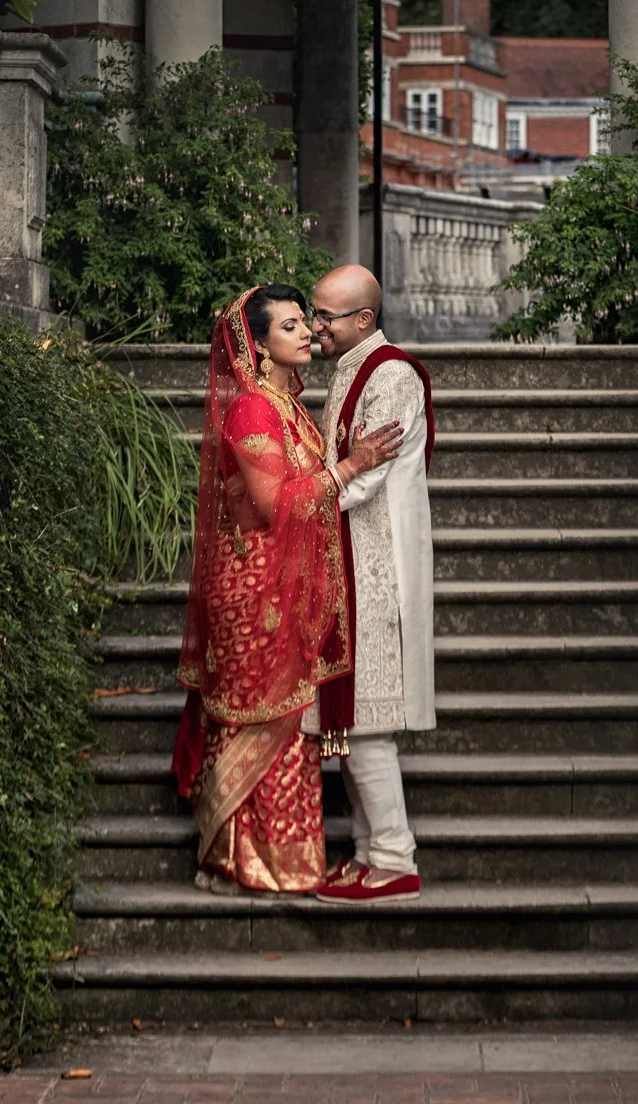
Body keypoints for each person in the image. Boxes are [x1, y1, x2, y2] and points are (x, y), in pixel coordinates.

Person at [173, 283, 402, 893]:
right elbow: (274, 503)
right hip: (252, 591)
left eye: (307, 322)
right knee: (259, 721)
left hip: (284, 588)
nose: (307, 333)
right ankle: (237, 860)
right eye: (291, 326)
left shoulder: (288, 405)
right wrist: (350, 466)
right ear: (260, 346)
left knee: (291, 728)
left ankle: (279, 862)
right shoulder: (254, 408)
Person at [305, 263, 436, 904]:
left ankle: (394, 858)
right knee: (350, 722)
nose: (314, 324)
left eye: (325, 315)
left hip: (375, 567)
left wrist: (299, 500)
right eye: (312, 311)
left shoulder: (392, 375)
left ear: (363, 319)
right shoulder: (351, 369)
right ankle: (365, 854)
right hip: (347, 561)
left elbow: (363, 479)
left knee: (365, 722)